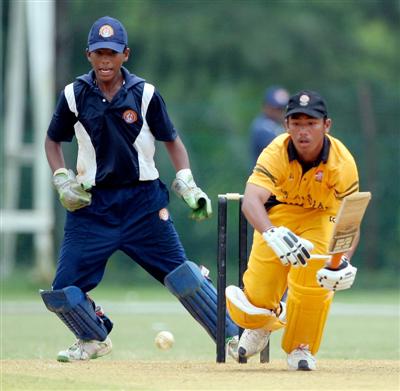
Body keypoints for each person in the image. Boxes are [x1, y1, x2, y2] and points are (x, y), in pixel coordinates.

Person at [40, 16, 238, 362]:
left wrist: (187, 182)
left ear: (125, 55)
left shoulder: (144, 94)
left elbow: (172, 140)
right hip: (92, 206)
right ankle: (93, 338)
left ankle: (232, 336)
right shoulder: (74, 94)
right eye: (99, 53)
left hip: (143, 205)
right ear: (88, 55)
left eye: (112, 53)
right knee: (62, 292)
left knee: (183, 277)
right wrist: (62, 177)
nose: (105, 60)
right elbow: (52, 140)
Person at [226, 90, 359, 371]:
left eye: (311, 123)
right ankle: (263, 323)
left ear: (326, 125)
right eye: (296, 123)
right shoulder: (276, 151)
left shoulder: (342, 162)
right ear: (286, 125)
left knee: (314, 285)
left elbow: (351, 218)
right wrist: (272, 233)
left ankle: (301, 347)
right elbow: (251, 201)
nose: (303, 131)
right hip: (279, 216)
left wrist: (341, 261)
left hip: (322, 217)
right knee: (255, 298)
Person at [249, 86, 289, 165]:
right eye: (276, 108)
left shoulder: (278, 125)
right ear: (266, 106)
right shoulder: (262, 128)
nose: (279, 112)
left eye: (282, 108)